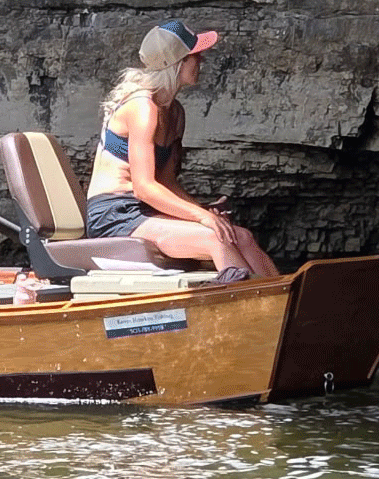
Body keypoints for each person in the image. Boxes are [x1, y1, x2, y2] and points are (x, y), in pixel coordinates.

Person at [85, 19, 278, 282]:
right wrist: (201, 218)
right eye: (194, 56)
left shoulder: (175, 113)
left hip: (144, 209)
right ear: (176, 63)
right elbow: (144, 187)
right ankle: (252, 305)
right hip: (114, 215)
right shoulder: (143, 108)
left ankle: (287, 301)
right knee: (215, 239)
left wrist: (204, 212)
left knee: (240, 236)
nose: (201, 61)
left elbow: (166, 182)